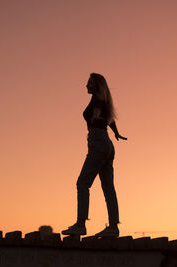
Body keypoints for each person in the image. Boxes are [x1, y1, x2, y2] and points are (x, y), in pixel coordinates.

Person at [62, 73, 127, 237]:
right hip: (107, 145)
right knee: (108, 188)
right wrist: (117, 134)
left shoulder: (98, 101)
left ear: (96, 85)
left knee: (82, 183)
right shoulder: (103, 100)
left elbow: (100, 116)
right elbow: (110, 120)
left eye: (89, 82)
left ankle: (80, 224)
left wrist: (96, 118)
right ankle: (113, 227)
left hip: (98, 142)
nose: (86, 85)